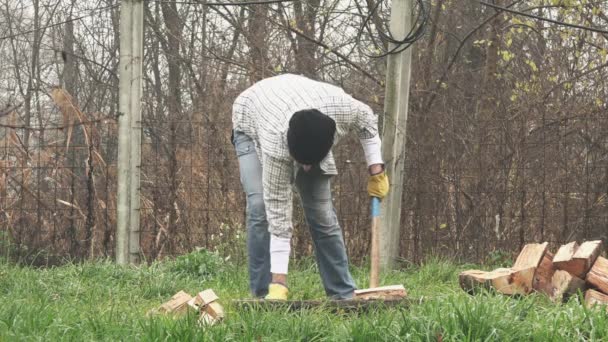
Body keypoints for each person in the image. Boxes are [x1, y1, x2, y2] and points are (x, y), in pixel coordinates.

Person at [231, 73, 389, 300]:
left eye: (310, 163)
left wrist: (377, 170)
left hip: (305, 108)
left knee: (322, 214)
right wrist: (280, 280)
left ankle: (342, 294)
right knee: (260, 207)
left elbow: (368, 122)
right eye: (302, 163)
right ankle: (264, 294)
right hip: (252, 117)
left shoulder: (344, 110)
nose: (305, 170)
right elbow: (279, 215)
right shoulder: (275, 143)